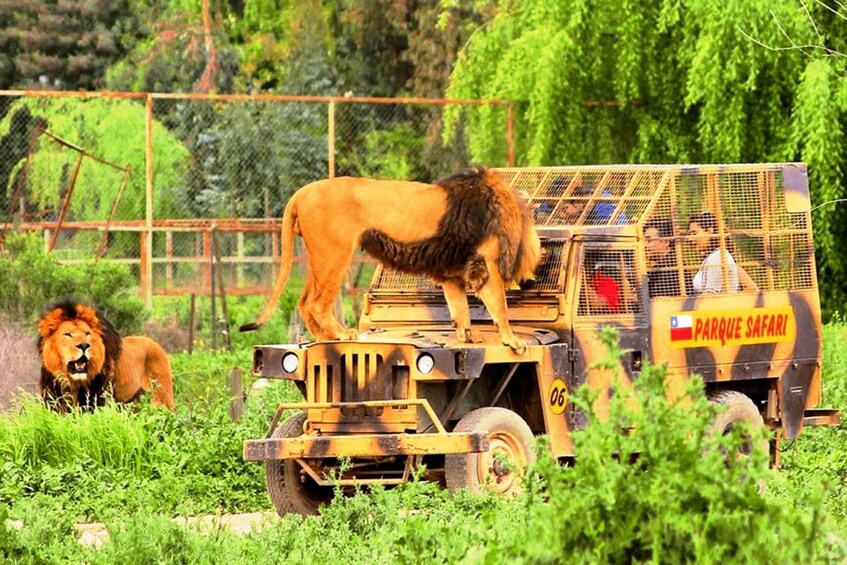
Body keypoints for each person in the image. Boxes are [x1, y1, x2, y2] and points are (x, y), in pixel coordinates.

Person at [688, 211, 738, 293]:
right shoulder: (711, 257)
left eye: (694, 233)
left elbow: (711, 295)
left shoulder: (718, 257)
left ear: (709, 231)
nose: (690, 238)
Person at [643, 218, 680, 297]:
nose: (644, 245)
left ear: (665, 242)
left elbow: (654, 299)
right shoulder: (660, 266)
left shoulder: (672, 267)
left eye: (649, 240)